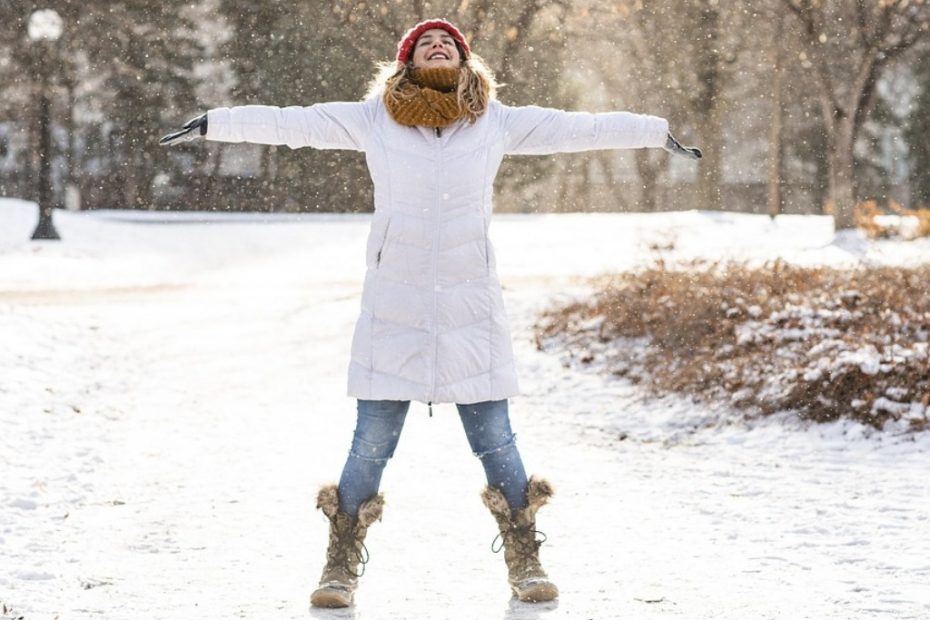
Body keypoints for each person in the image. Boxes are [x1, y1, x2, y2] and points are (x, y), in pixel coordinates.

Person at [161, 18, 701, 609]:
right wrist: (218, 122)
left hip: (471, 305)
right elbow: (296, 122)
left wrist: (656, 132)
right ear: (407, 62)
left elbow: (580, 128)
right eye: (425, 43)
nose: (437, 44)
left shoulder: (495, 121)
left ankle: (525, 562)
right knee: (370, 442)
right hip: (395, 304)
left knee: (496, 439)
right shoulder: (374, 118)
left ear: (465, 61)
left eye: (448, 42)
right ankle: (339, 566)